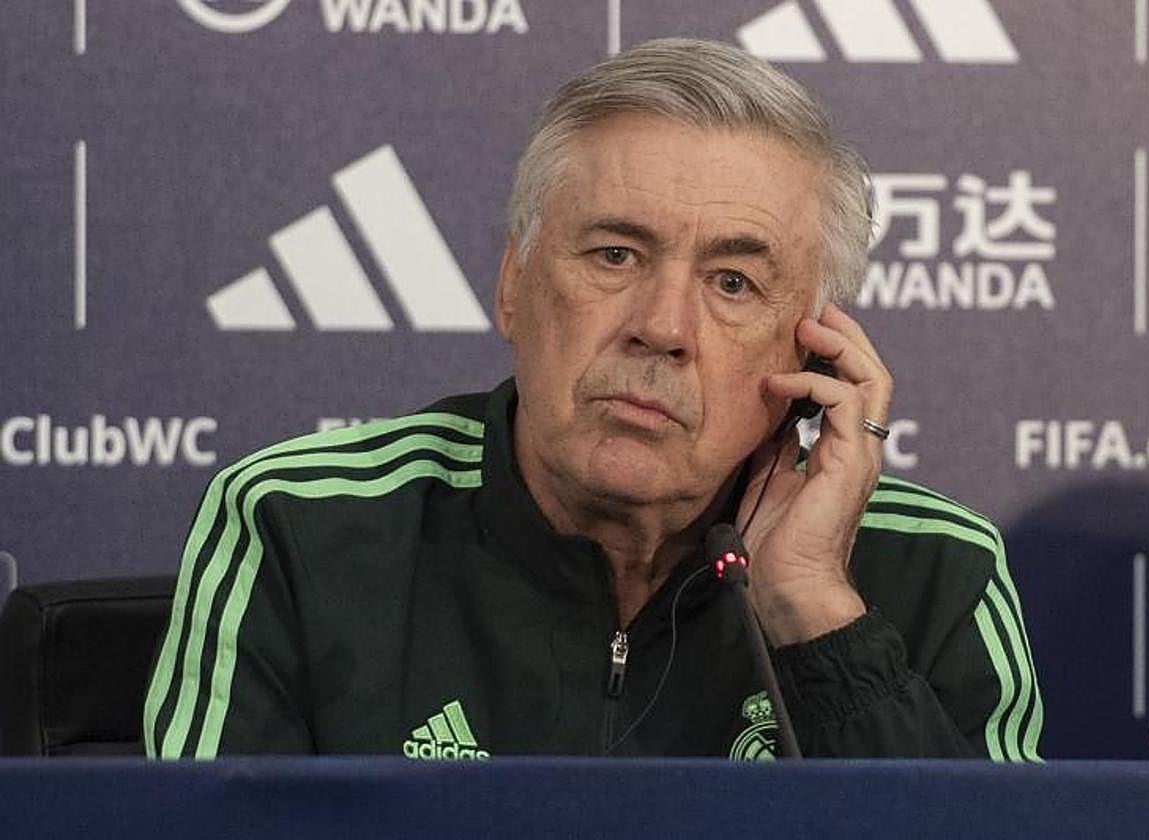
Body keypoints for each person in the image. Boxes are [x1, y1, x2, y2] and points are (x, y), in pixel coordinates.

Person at [144, 38, 1042, 761]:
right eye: (615, 255)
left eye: (733, 282)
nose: (663, 326)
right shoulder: (301, 524)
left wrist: (813, 607)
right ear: (513, 285)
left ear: (812, 350)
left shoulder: (935, 569)